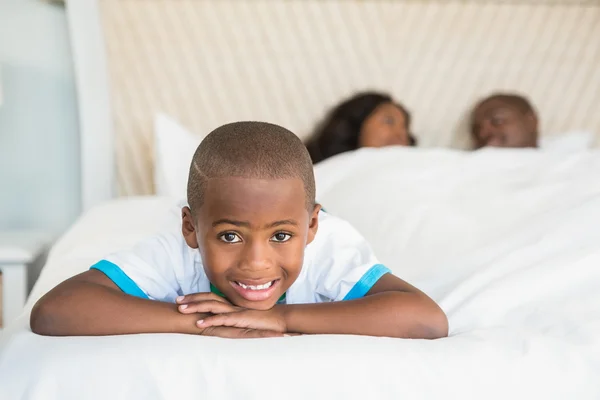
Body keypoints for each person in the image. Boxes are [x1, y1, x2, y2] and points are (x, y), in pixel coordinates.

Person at [30, 122, 447, 339]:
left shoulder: (331, 246)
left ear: (312, 225)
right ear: (191, 229)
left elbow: (427, 320)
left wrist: (281, 318)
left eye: (282, 236)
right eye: (230, 235)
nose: (256, 262)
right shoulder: (176, 252)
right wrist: (204, 323)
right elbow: (55, 310)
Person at [305, 92, 416, 163]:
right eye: (389, 121)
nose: (401, 135)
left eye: (405, 129)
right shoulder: (313, 176)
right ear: (357, 123)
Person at [470, 93, 539, 149]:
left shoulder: (548, 160)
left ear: (531, 121)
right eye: (477, 128)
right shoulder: (466, 162)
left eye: (497, 121)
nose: (482, 134)